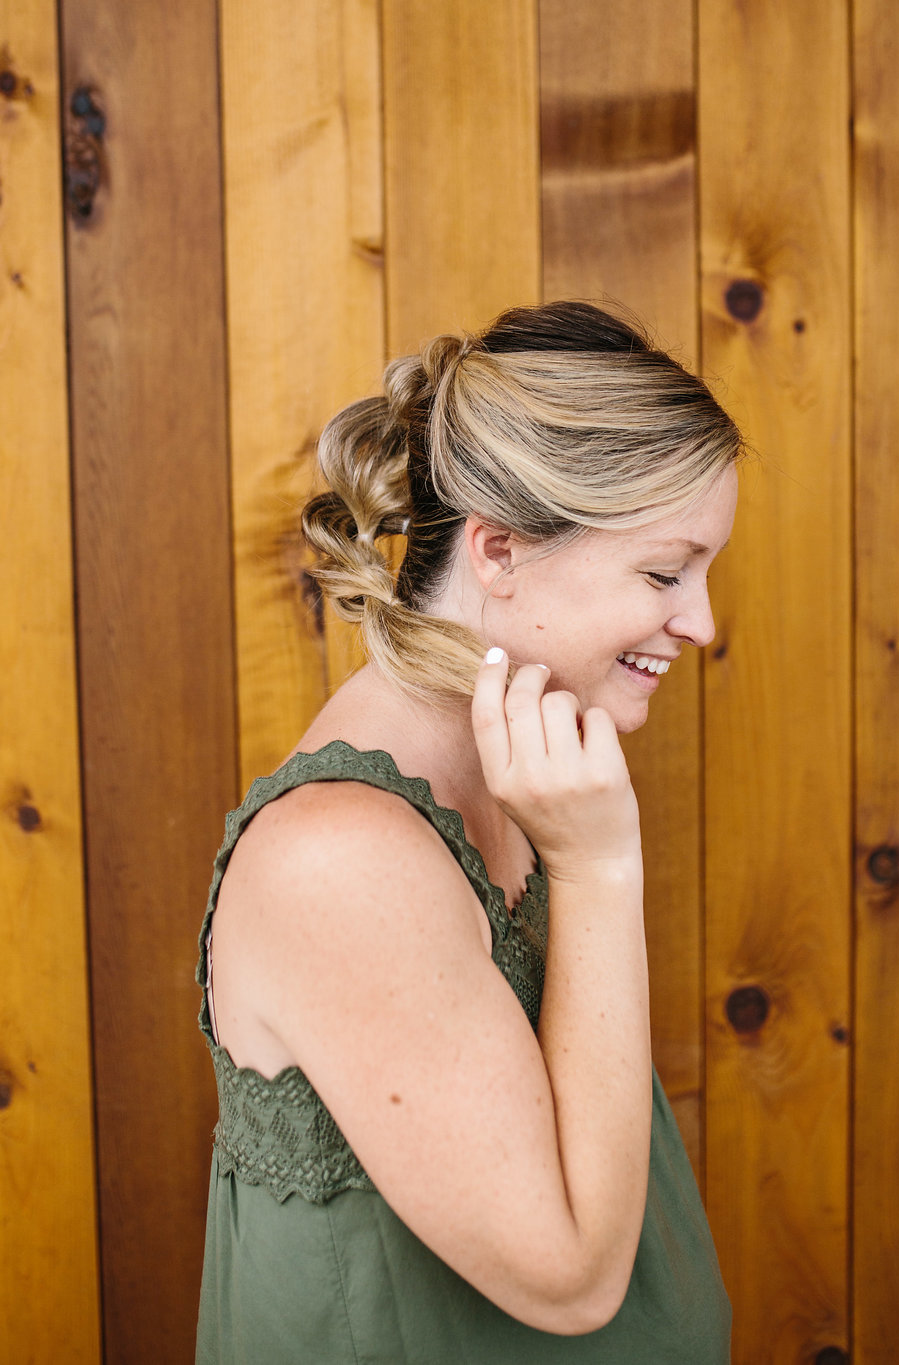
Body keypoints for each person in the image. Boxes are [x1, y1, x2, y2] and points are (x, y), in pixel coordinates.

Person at [195, 300, 741, 1363]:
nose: (700, 622)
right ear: (497, 550)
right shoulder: (342, 860)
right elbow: (570, 1281)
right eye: (663, 572)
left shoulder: (515, 778)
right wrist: (597, 870)